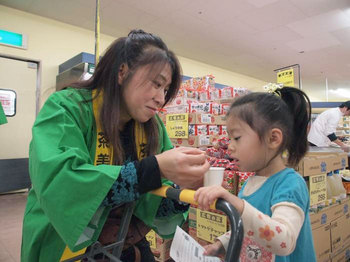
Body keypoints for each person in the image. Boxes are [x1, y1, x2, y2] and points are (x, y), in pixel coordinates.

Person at [21, 29, 209, 262]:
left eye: (165, 89)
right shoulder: (66, 108)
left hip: (124, 241)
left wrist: (183, 189)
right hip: (64, 240)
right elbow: (62, 182)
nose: (161, 98)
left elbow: (155, 205)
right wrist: (154, 169)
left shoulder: (153, 127)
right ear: (122, 72)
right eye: (156, 84)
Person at [195, 87, 316, 261]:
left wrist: (237, 204)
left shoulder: (290, 184)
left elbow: (285, 240)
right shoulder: (250, 182)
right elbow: (250, 226)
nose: (229, 146)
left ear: (273, 139)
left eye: (236, 138)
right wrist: (221, 244)